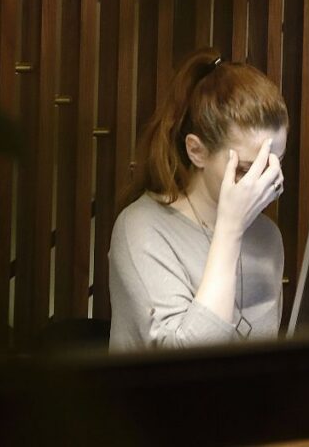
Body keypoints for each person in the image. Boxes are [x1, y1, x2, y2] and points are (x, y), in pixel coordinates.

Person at [108, 47, 288, 351]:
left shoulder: (267, 237)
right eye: (246, 169)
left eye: (274, 164)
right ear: (197, 151)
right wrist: (230, 231)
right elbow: (186, 363)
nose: (265, 182)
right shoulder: (140, 228)